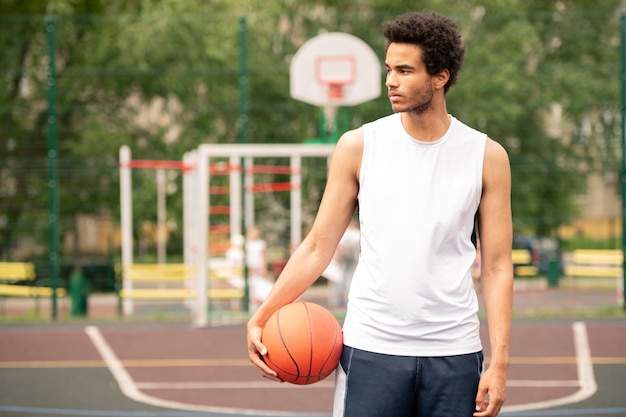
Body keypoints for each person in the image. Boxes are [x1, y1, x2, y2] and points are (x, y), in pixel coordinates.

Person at [247, 10, 512, 417]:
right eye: (389, 69)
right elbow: (318, 246)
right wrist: (262, 315)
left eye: (405, 70)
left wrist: (500, 362)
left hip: (455, 351)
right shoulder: (359, 146)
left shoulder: (486, 156)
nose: (390, 80)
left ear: (440, 76)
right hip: (372, 348)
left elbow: (496, 266)